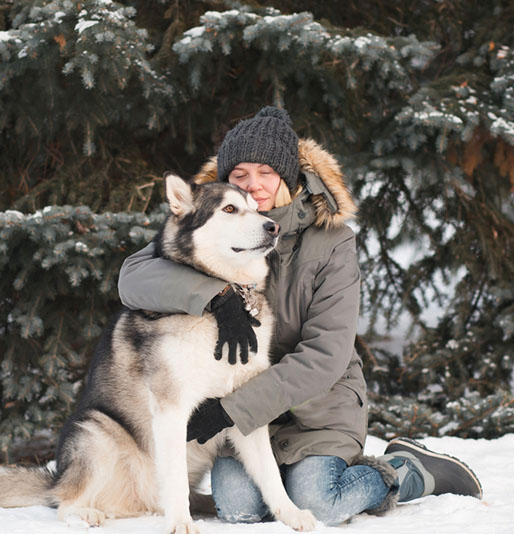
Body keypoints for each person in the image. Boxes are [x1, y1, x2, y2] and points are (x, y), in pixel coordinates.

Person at [117, 106, 482, 526]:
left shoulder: (333, 242)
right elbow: (135, 276)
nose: (252, 186)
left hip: (316, 406)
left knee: (320, 501)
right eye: (239, 174)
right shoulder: (212, 218)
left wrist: (232, 409)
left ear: (287, 176)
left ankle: (408, 471)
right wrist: (216, 295)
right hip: (249, 410)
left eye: (266, 172)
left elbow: (325, 356)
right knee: (237, 507)